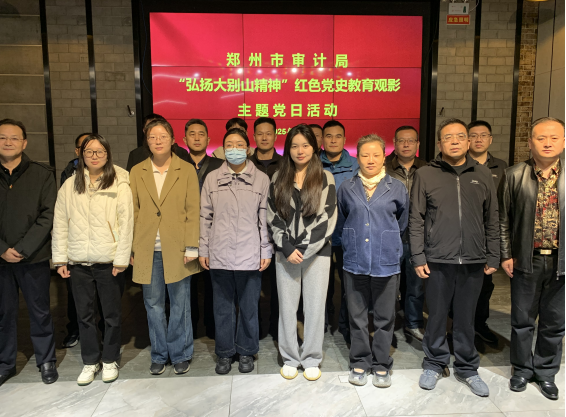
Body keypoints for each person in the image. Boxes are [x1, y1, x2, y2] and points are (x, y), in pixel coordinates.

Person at [410, 118, 499, 397]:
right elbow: (416, 219)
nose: (455, 141)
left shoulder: (482, 174)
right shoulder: (426, 174)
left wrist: (493, 254)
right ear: (440, 143)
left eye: (460, 136)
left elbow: (492, 217)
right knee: (436, 315)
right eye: (448, 137)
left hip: (473, 259)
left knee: (466, 317)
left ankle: (467, 367)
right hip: (437, 258)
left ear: (468, 141)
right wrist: (418, 256)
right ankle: (434, 363)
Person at [52, 134, 133, 386]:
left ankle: (109, 359)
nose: (94, 156)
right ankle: (90, 361)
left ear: (107, 154)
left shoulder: (119, 182)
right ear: (81, 154)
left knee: (111, 315)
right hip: (78, 262)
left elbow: (127, 223)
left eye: (99, 151)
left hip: (109, 261)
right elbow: (60, 223)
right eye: (89, 151)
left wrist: (121, 258)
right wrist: (60, 259)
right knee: (84, 316)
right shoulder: (70, 184)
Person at [499, 117, 565, 401]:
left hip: (561, 261)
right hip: (527, 258)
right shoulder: (514, 174)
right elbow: (503, 219)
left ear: (563, 142)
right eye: (541, 138)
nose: (547, 143)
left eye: (554, 138)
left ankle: (546, 372)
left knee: (555, 322)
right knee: (522, 320)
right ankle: (522, 369)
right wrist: (505, 254)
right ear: (530, 142)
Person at [129, 119, 201, 376]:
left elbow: (193, 210)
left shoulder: (186, 169)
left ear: (172, 140)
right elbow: (133, 212)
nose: (157, 141)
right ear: (147, 142)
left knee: (181, 304)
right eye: (152, 137)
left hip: (179, 248)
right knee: (153, 304)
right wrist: (132, 248)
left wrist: (192, 246)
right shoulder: (137, 171)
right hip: (147, 248)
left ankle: (181, 353)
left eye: (162, 136)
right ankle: (159, 354)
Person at [338, 134, 408, 388]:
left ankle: (381, 363)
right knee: (356, 317)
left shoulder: (397, 187)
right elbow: (342, 220)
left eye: (376, 154)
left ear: (384, 157)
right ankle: (359, 360)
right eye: (365, 155)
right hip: (355, 260)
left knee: (384, 317)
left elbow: (402, 222)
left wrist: (387, 241)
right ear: (357, 157)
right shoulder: (346, 187)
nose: (370, 160)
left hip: (385, 260)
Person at [199, 128, 272, 375]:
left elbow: (264, 218)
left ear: (248, 149)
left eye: (239, 145)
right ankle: (225, 352)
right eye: (229, 145)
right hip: (219, 251)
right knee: (222, 307)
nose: (234, 149)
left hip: (250, 252)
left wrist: (265, 250)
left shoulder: (261, 179)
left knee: (249, 306)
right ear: (223, 149)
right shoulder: (212, 178)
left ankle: (247, 350)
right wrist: (203, 248)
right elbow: (205, 217)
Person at [268, 124, 337, 381]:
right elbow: (272, 215)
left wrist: (304, 248)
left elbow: (327, 219)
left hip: (317, 254)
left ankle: (311, 358)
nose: (300, 150)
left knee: (315, 308)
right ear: (288, 148)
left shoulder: (325, 177)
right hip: (285, 253)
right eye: (295, 146)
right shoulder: (278, 178)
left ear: (314, 148)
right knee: (287, 307)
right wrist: (286, 247)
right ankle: (289, 357)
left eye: (305, 145)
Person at [0, 119, 58, 387]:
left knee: (40, 311)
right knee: (4, 313)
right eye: (3, 137)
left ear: (24, 143)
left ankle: (46, 360)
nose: (8, 142)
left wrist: (23, 248)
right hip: (0, 259)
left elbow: (48, 215)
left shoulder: (41, 174)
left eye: (14, 138)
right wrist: (2, 249)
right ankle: (5, 363)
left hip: (33, 256)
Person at [467, 120, 508, 345]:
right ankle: (459, 327)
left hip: (489, 235)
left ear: (490, 139)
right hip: (464, 236)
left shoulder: (502, 168)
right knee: (460, 285)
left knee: (485, 284)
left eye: (483, 135)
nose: (478, 139)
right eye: (473, 135)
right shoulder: (459, 165)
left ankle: (480, 324)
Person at [385, 126, 426, 342]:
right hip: (391, 235)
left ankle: (413, 323)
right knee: (389, 284)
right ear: (394, 143)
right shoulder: (384, 168)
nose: (406, 144)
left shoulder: (428, 169)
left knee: (416, 285)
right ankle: (387, 324)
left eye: (411, 141)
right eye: (402, 140)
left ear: (418, 144)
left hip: (418, 237)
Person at [183, 118, 223, 339]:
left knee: (212, 283)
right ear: (184, 139)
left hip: (213, 232)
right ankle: (190, 327)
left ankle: (212, 326)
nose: (197, 138)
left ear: (208, 139)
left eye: (201, 134)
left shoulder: (220, 166)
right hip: (185, 233)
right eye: (192, 134)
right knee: (186, 284)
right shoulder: (177, 165)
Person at [320, 120, 358, 342]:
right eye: (329, 136)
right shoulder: (312, 164)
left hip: (348, 234)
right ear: (322, 140)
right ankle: (322, 324)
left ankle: (346, 325)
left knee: (349, 284)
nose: (333, 140)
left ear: (344, 139)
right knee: (321, 284)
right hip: (320, 236)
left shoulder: (356, 165)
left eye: (338, 136)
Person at [249, 117, 282, 339]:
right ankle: (257, 328)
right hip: (251, 236)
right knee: (253, 286)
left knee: (279, 286)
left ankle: (276, 327)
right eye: (259, 133)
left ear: (275, 136)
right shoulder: (246, 165)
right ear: (253, 136)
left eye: (268, 133)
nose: (264, 137)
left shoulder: (286, 164)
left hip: (279, 235)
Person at [60, 131, 91, 349]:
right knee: (75, 294)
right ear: (77, 151)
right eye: (85, 148)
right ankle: (75, 329)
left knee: (102, 297)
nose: (91, 153)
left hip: (102, 245)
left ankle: (102, 332)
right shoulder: (68, 174)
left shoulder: (113, 174)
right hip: (76, 244)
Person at [126, 113, 191, 171]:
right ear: (144, 131)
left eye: (163, 136)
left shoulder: (181, 154)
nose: (158, 142)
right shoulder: (135, 155)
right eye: (150, 127)